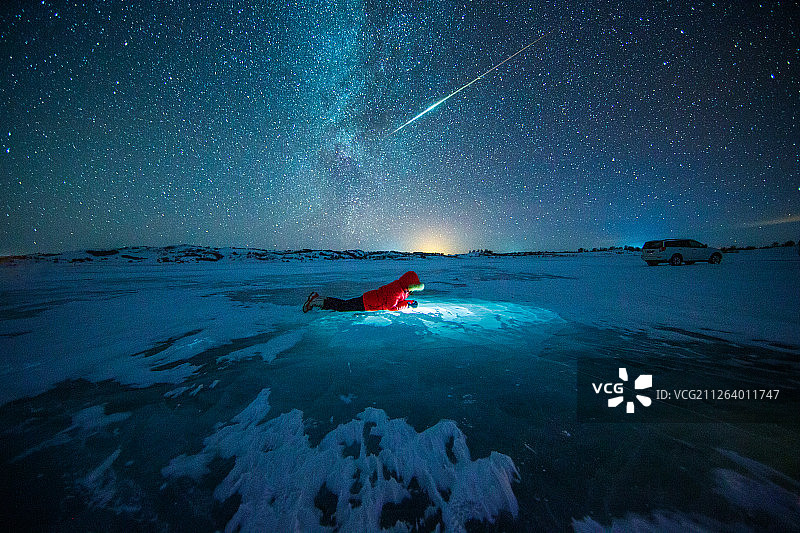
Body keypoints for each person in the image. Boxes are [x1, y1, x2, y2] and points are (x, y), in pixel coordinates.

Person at [303, 271, 424, 312]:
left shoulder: (401, 288)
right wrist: (407, 305)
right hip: (368, 303)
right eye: (413, 287)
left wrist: (409, 301)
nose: (413, 290)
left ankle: (320, 299)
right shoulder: (397, 291)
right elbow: (391, 306)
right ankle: (317, 301)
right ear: (409, 284)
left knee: (344, 304)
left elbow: (399, 299)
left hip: (369, 299)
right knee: (342, 307)